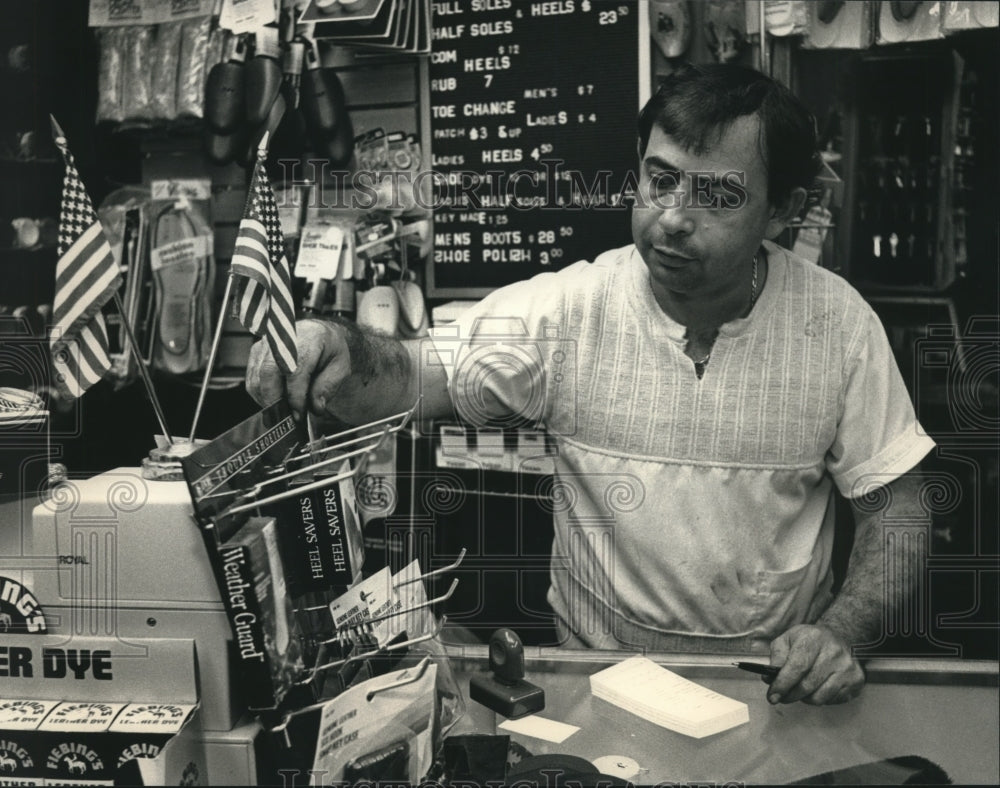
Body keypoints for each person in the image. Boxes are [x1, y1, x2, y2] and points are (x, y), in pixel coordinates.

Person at [246, 64, 935, 706]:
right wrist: (334, 346)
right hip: (598, 688)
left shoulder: (837, 324)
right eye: (659, 180)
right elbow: (413, 377)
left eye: (717, 194)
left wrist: (843, 630)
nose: (671, 217)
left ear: (783, 210)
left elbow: (896, 506)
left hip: (773, 691)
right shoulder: (571, 310)